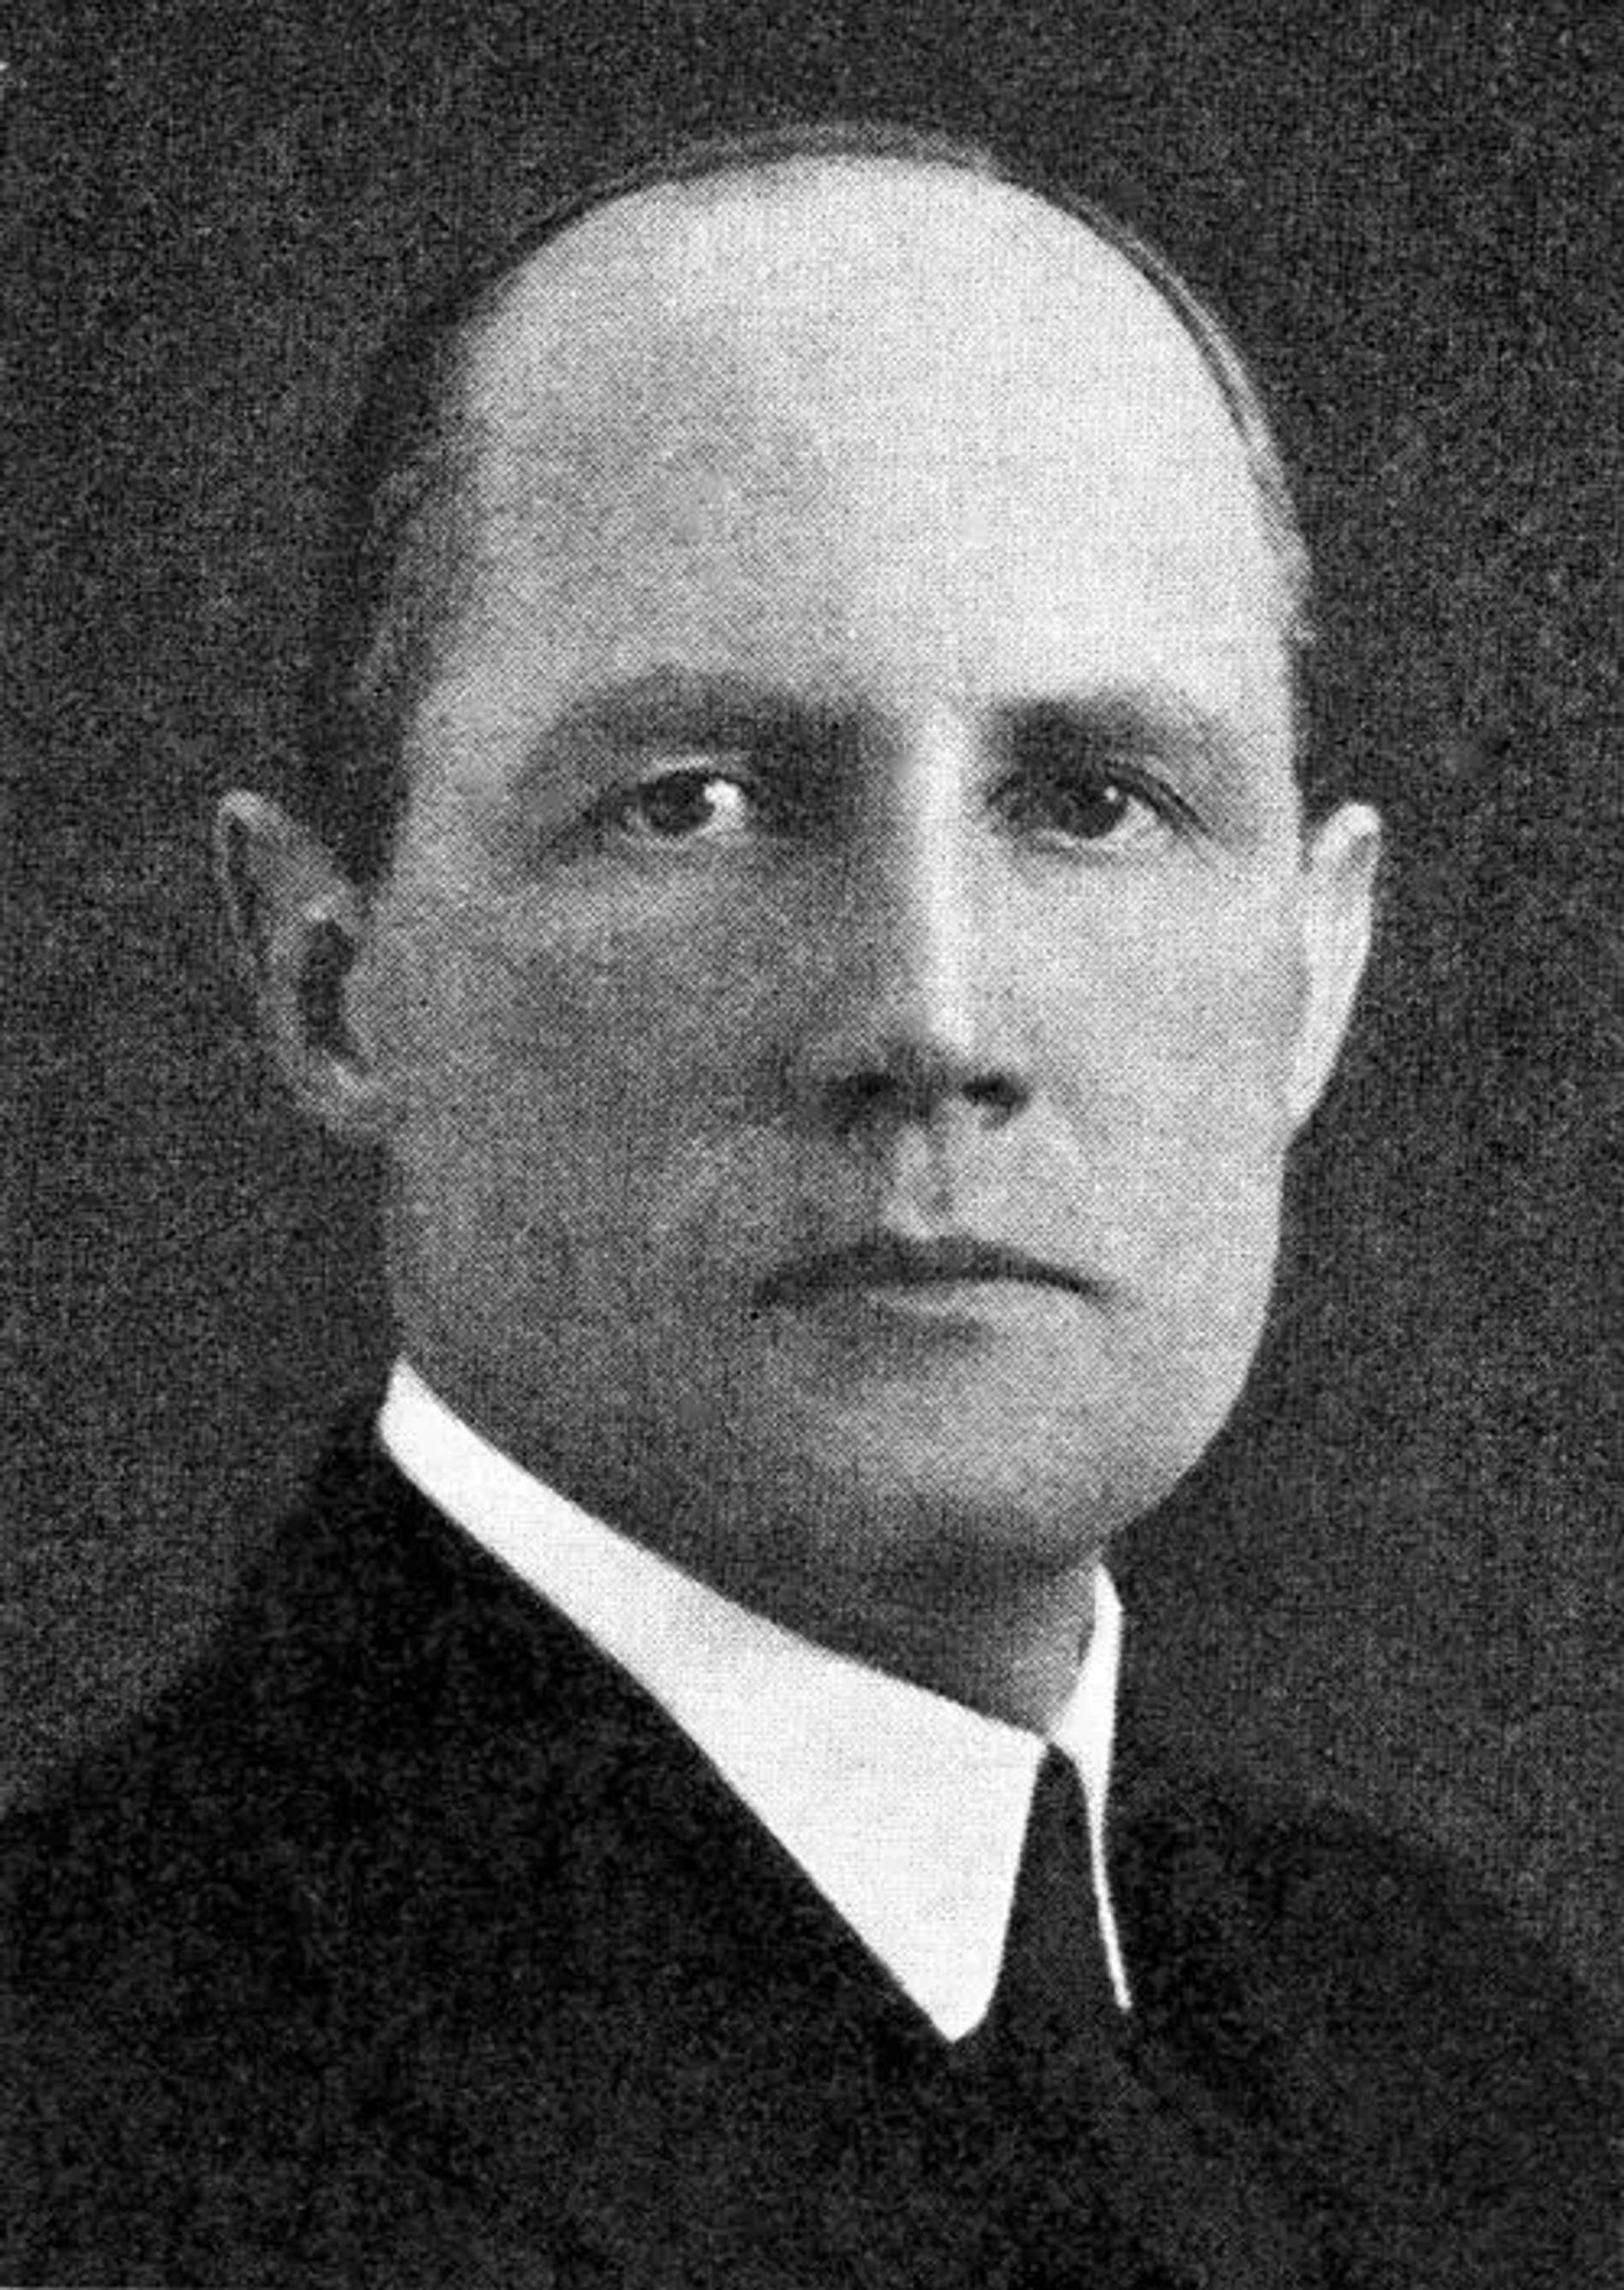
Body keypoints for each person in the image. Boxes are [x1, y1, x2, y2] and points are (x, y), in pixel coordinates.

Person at [3, 123, 1614, 2288]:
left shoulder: (1465, 2066)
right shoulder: (83, 2120)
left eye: (1093, 801)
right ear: (330, 979)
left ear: (1311, 975)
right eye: (696, 803)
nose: (932, 1017)